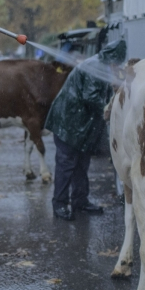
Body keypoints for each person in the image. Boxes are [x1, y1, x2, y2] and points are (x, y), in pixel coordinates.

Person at [44, 39, 127, 221]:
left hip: (79, 123)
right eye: (117, 62)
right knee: (66, 165)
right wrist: (111, 108)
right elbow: (91, 97)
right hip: (69, 122)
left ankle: (80, 201)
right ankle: (59, 204)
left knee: (82, 163)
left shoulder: (101, 63)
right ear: (113, 58)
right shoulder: (96, 67)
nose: (117, 66)